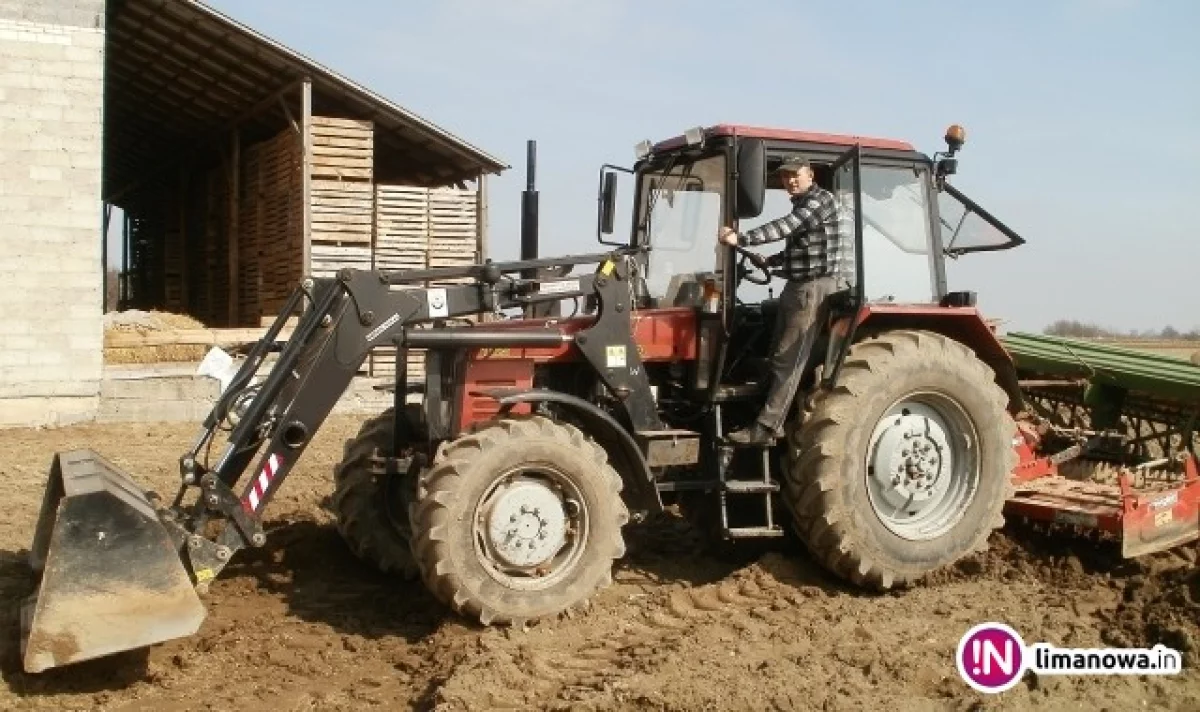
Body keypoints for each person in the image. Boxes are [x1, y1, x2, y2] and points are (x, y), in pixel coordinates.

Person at [717, 155, 852, 445]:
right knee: (774, 351)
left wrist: (742, 239)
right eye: (784, 176)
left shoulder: (819, 202)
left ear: (810, 175)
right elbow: (801, 248)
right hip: (800, 285)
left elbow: (786, 227)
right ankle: (752, 409)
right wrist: (771, 261)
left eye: (795, 174)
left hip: (813, 288)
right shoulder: (807, 206)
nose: (789, 180)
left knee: (788, 359)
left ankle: (766, 428)